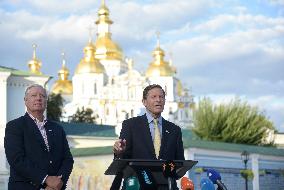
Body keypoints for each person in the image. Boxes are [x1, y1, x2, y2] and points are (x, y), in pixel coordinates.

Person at [112, 84, 185, 189]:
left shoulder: (174, 130)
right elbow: (123, 161)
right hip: (137, 186)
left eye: (161, 97)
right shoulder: (130, 125)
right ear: (144, 102)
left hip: (166, 186)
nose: (158, 100)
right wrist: (119, 152)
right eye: (154, 97)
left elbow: (180, 163)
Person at [4, 84, 74, 190]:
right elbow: (16, 159)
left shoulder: (57, 129)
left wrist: (57, 183)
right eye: (34, 95)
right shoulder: (15, 126)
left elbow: (67, 159)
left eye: (42, 96)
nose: (38, 98)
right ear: (25, 100)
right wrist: (46, 179)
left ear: (46, 101)